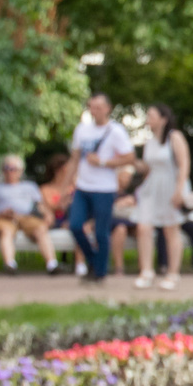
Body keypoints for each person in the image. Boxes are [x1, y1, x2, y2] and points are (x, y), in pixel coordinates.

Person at [123, 103, 190, 290]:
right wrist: (133, 162)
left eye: (151, 116)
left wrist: (179, 190)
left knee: (171, 230)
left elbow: (184, 164)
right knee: (143, 227)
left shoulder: (174, 137)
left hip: (171, 186)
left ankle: (173, 274)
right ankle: (146, 272)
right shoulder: (150, 141)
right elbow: (148, 168)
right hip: (152, 187)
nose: (148, 120)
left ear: (163, 119)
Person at [67, 95, 133, 283]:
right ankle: (94, 261)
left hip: (104, 189)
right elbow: (74, 159)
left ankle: (100, 272)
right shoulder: (81, 130)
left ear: (107, 108)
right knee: (75, 225)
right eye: (91, 107)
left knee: (101, 232)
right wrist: (66, 186)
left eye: (98, 107)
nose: (94, 111)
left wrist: (103, 162)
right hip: (82, 187)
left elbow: (129, 158)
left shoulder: (116, 131)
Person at [0, 154, 62, 274]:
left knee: (41, 229)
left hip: (27, 217)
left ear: (20, 171)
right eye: (7, 168)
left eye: (13, 169)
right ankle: (10, 264)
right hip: (3, 218)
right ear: (2, 170)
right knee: (5, 232)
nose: (10, 172)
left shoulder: (30, 186)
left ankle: (52, 264)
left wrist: (48, 214)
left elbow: (40, 205)